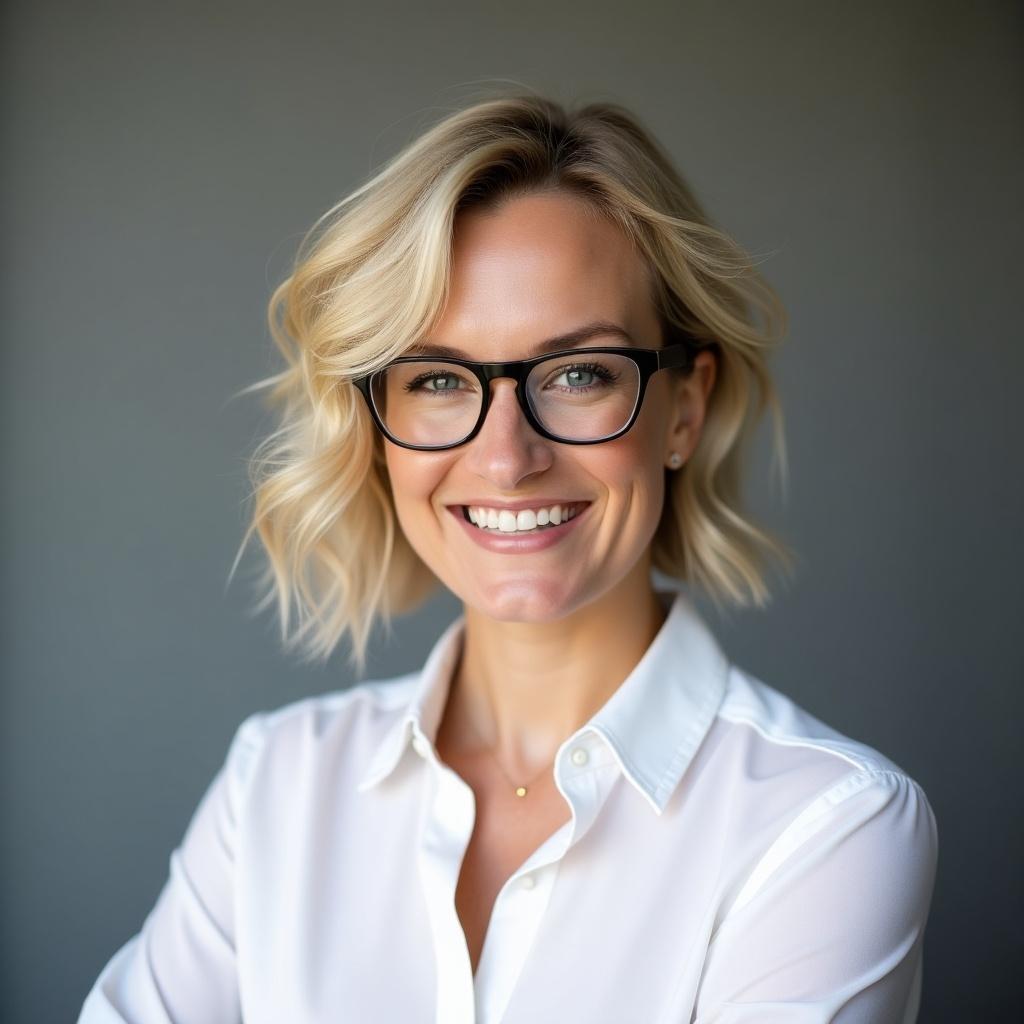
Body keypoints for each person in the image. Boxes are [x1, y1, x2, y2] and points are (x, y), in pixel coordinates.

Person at [77, 93, 938, 1023]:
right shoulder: (278, 784)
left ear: (683, 410)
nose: (506, 458)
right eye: (439, 380)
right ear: (376, 429)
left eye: (577, 374)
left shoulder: (828, 825)